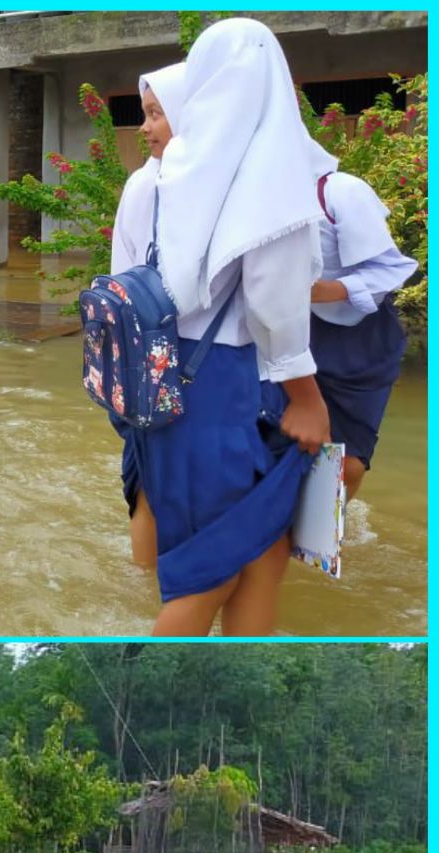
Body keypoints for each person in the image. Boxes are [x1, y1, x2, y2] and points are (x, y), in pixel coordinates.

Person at [117, 18, 332, 636]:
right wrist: (308, 399)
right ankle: (151, 685)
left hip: (168, 380)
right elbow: (272, 300)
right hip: (229, 389)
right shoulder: (266, 171)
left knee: (258, 553)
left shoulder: (169, 173)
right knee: (212, 574)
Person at [261, 156, 417, 503]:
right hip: (286, 328)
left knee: (350, 462)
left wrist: (323, 291)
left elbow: (390, 270)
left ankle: (330, 518)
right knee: (282, 439)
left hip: (359, 339)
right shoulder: (250, 197)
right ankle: (280, 518)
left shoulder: (341, 192)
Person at [111, 62, 187, 569]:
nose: (144, 128)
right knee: (149, 481)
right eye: (147, 114)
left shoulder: (199, 184)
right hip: (156, 356)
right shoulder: (147, 185)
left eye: (156, 114)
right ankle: (148, 586)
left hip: (185, 357)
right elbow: (128, 276)